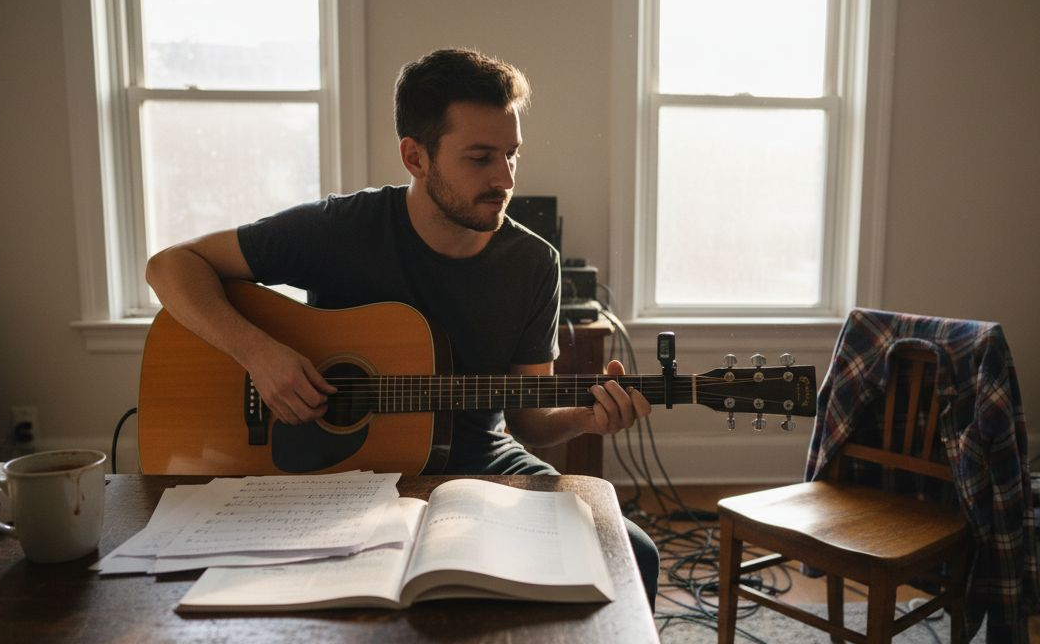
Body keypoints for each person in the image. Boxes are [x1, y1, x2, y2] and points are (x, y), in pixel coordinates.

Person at [145, 47, 659, 603]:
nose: (503, 178)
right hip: (337, 472)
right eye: (480, 157)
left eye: (512, 155)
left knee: (633, 553)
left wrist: (583, 417)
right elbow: (170, 265)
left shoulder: (534, 263)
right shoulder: (341, 229)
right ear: (415, 157)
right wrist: (259, 354)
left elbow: (529, 421)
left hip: (479, 462)